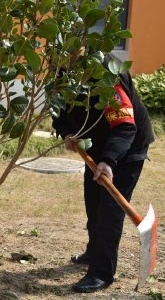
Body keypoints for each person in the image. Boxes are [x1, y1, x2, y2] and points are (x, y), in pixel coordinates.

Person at [52, 55, 154, 293]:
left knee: (109, 209)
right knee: (93, 201)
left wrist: (108, 161)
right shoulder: (62, 72)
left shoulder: (105, 75)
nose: (60, 58)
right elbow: (56, 109)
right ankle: (94, 250)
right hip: (95, 146)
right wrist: (67, 132)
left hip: (127, 147)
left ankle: (101, 273)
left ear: (81, 48)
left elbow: (125, 126)